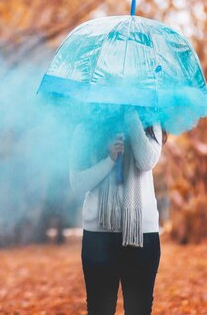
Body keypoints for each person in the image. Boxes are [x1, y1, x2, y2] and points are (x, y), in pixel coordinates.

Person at [70, 107, 167, 315]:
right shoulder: (86, 129)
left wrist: (132, 118)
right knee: (99, 310)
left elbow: (146, 161)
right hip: (99, 234)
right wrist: (110, 159)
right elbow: (77, 183)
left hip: (142, 234)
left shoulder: (151, 122)